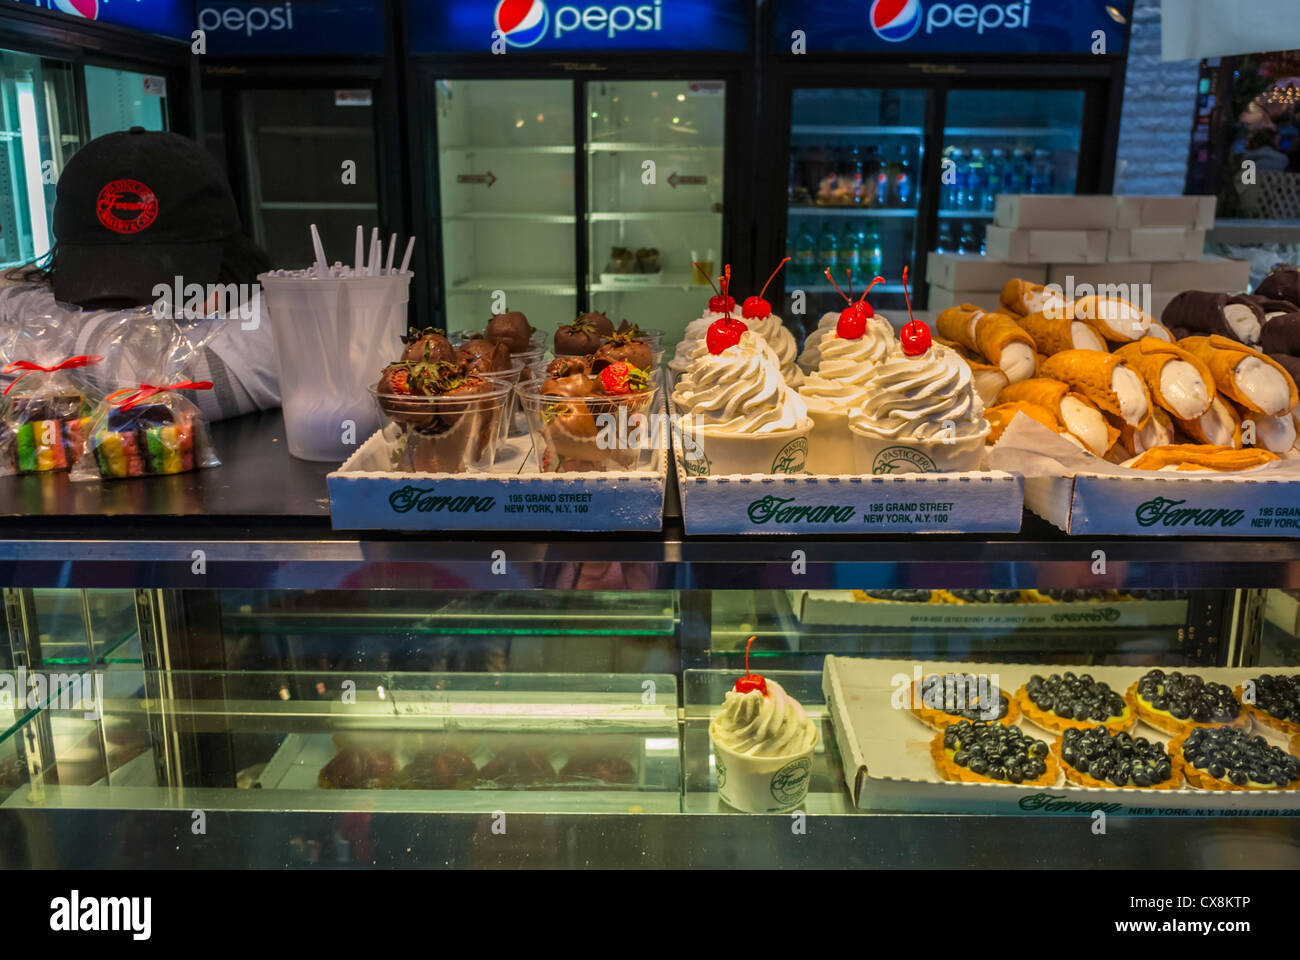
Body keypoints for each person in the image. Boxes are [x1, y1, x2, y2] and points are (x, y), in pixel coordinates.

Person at [1, 127, 280, 421]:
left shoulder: (280, 321)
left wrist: (40, 334)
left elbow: (175, 383)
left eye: (160, 296)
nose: (136, 315)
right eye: (105, 299)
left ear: (228, 262)